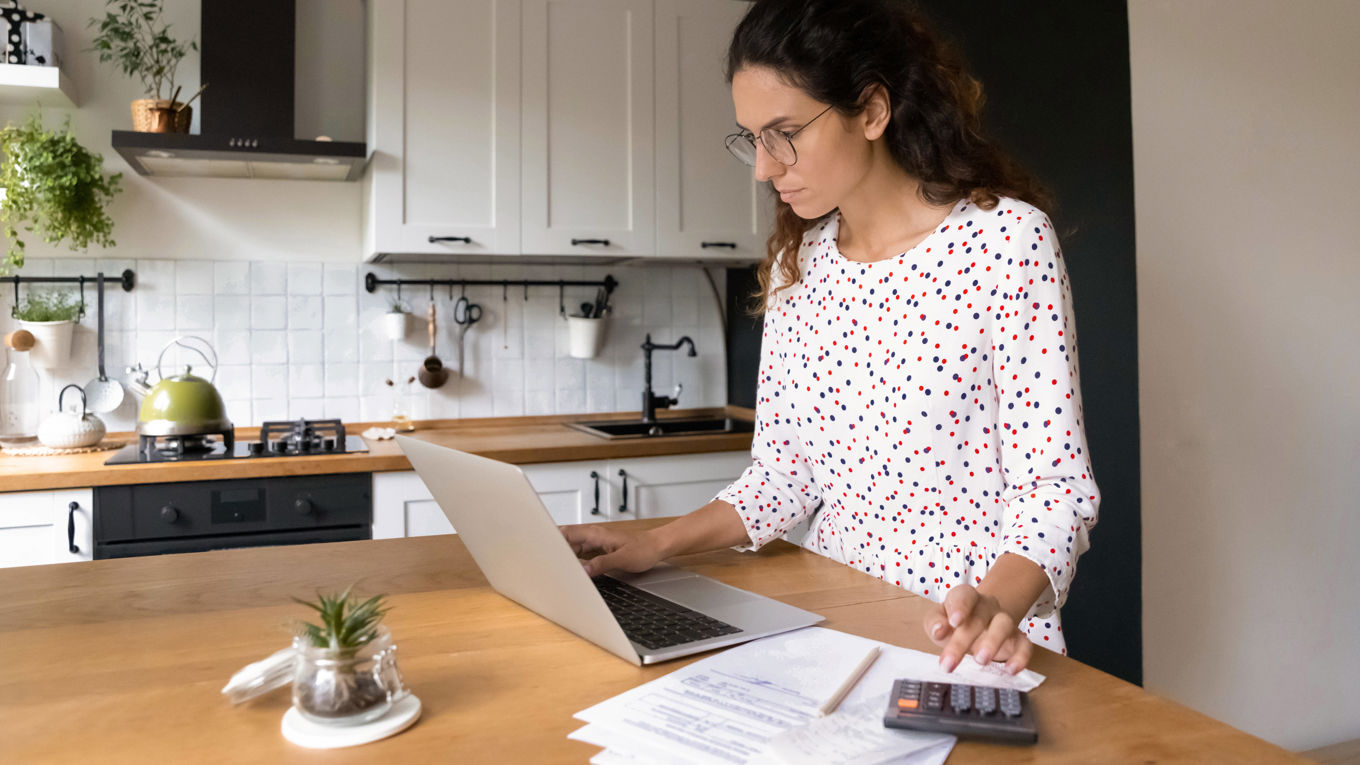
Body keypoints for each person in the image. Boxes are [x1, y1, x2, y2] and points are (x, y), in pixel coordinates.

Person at [563, 0, 1100, 675]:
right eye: (752, 138)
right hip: (829, 631)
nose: (763, 168)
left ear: (872, 111)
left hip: (965, 644)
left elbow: (1055, 489)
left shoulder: (1005, 243)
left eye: (785, 133)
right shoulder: (800, 264)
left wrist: (995, 605)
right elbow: (781, 476)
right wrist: (653, 544)